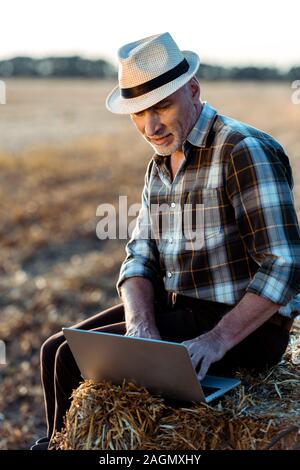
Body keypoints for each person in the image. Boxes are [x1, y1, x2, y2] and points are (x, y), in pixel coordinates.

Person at [32, 32, 300, 450]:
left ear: (193, 89)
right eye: (138, 113)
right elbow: (140, 255)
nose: (150, 126)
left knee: (70, 360)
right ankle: (58, 444)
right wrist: (142, 326)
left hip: (244, 326)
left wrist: (215, 339)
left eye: (162, 106)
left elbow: (284, 263)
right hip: (182, 307)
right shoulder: (159, 164)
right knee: (54, 349)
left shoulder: (241, 149)